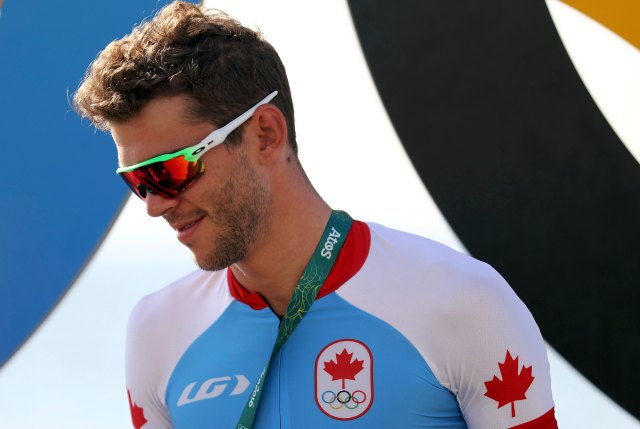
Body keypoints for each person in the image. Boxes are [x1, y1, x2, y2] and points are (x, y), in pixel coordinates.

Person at [73, 2, 558, 428]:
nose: (155, 204)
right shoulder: (158, 330)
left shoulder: (465, 302)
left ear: (264, 134)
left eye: (170, 171)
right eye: (137, 182)